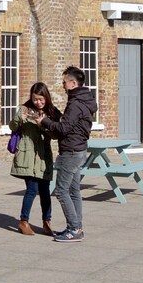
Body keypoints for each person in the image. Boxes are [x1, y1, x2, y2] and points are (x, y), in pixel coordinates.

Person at [37, 66, 97, 243]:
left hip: (71, 152)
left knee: (62, 191)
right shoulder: (83, 100)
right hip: (78, 150)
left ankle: (73, 228)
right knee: (73, 190)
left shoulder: (76, 103)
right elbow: (70, 123)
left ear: (73, 83)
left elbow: (64, 128)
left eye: (64, 82)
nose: (63, 86)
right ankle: (77, 226)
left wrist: (44, 122)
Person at [8, 82, 61, 236]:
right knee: (32, 189)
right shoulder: (24, 109)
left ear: (46, 97)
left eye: (41, 99)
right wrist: (19, 118)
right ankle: (24, 222)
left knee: (45, 191)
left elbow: (57, 134)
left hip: (43, 157)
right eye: (35, 99)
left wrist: (43, 124)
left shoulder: (52, 112)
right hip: (27, 156)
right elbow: (12, 126)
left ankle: (47, 222)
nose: (38, 102)